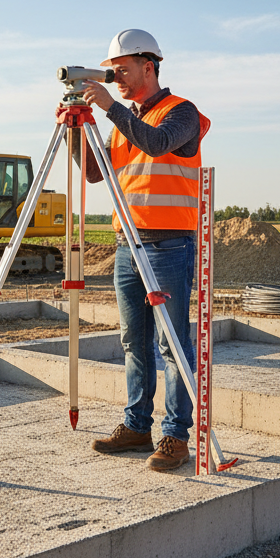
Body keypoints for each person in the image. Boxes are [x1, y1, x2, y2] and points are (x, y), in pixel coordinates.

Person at [79, 30, 210, 472]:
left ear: (148, 65)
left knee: (171, 344)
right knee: (135, 341)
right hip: (126, 247)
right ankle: (137, 426)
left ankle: (176, 436)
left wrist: (110, 108)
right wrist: (80, 128)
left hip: (168, 246)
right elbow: (97, 174)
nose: (115, 76)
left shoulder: (182, 113)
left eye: (122, 69)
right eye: (112, 70)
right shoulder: (122, 120)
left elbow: (156, 143)